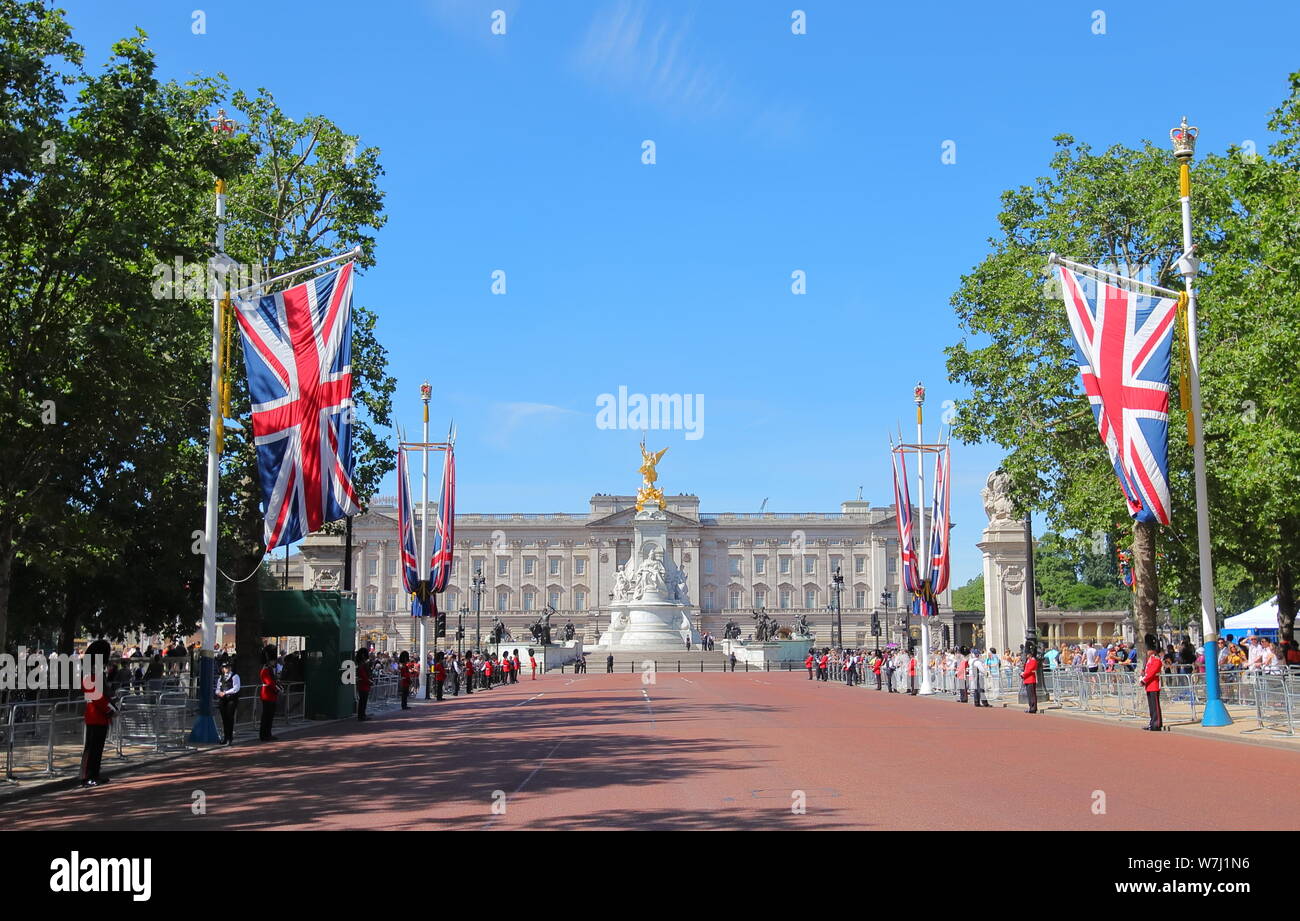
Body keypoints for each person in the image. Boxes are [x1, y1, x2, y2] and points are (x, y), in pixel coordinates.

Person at [80, 640, 115, 787]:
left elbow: (104, 692)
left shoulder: (98, 672)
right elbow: (93, 694)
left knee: (98, 748)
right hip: (95, 715)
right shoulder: (90, 672)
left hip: (101, 716)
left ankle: (95, 774)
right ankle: (86, 776)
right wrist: (109, 708)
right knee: (92, 748)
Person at [216, 659, 241, 744]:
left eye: (227, 667)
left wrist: (225, 692)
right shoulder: (221, 677)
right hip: (223, 699)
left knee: (230, 718)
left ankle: (230, 738)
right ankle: (225, 737)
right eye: (224, 667)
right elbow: (217, 688)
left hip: (231, 699)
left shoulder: (235, 676)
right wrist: (218, 693)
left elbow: (236, 688)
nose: (226, 669)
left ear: (230, 668)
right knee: (224, 719)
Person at [259, 646, 281, 741]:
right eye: (273, 661)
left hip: (271, 695)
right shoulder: (265, 670)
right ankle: (264, 735)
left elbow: (273, 681)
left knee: (270, 716)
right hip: (267, 694)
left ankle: (268, 733)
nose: (274, 662)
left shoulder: (269, 669)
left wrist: (279, 687)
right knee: (266, 716)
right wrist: (277, 689)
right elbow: (269, 682)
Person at [1141, 643, 1163, 730]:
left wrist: (1144, 680)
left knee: (1155, 706)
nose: (1147, 651)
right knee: (1151, 706)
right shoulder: (1150, 659)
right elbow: (1147, 671)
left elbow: (1152, 673)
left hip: (1154, 684)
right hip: (1149, 685)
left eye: (1149, 650)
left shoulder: (1156, 660)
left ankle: (1157, 724)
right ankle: (1152, 723)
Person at [355, 648, 372, 720]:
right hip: (363, 685)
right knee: (362, 701)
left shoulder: (362, 664)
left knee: (363, 701)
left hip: (364, 684)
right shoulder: (361, 665)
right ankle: (361, 716)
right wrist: (369, 681)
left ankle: (362, 715)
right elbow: (363, 675)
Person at [1022, 647, 1039, 714]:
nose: (1026, 656)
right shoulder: (1028, 661)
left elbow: (1029, 670)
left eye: (1027, 654)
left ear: (1030, 654)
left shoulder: (1033, 660)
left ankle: (1033, 708)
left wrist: (1023, 674)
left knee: (1032, 695)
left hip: (1031, 679)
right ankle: (1031, 707)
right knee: (1029, 695)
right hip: (1027, 679)